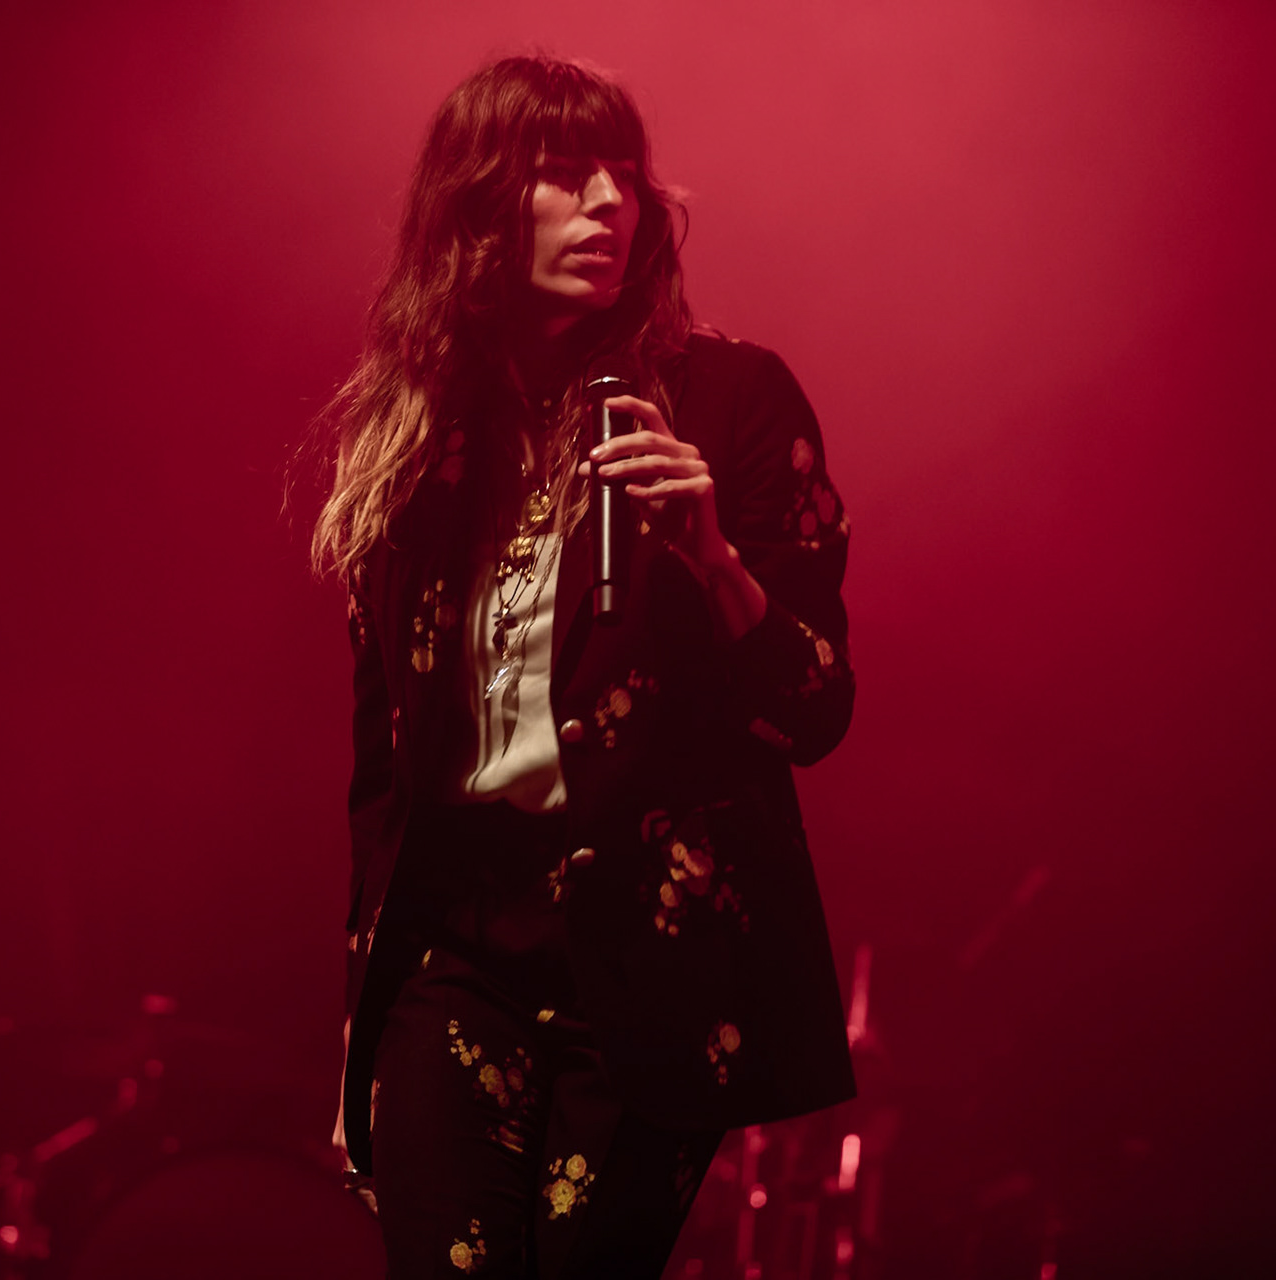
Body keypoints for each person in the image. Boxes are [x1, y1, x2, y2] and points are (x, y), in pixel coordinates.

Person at [307, 54, 856, 1278]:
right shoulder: (416, 444)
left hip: (651, 954)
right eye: (566, 175)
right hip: (455, 947)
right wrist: (357, 1044)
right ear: (479, 208)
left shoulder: (734, 399)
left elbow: (818, 703)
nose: (612, 202)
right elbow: (382, 783)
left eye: (624, 176)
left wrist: (716, 562)